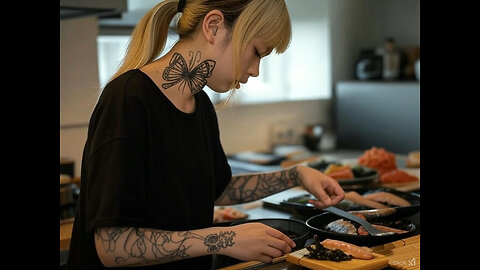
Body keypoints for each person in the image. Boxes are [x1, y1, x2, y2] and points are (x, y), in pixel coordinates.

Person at [66, 0, 345, 269]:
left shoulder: (199, 104)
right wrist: (223, 239)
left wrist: (295, 176)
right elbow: (112, 246)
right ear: (213, 27)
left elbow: (218, 189)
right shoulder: (128, 100)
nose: (255, 70)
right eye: (257, 52)